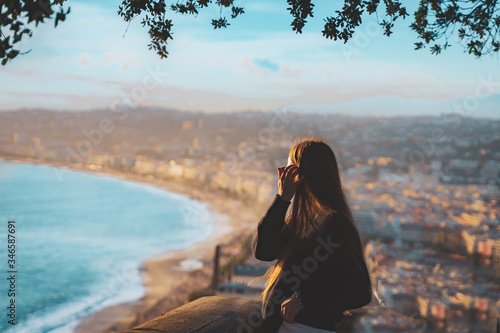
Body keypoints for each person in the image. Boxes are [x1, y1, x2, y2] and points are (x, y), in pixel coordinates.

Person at [252, 137, 373, 332]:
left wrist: (304, 300)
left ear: (303, 175)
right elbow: (263, 251)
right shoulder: (299, 222)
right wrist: (282, 200)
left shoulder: (336, 225)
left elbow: (360, 292)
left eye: (289, 169)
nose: (283, 176)